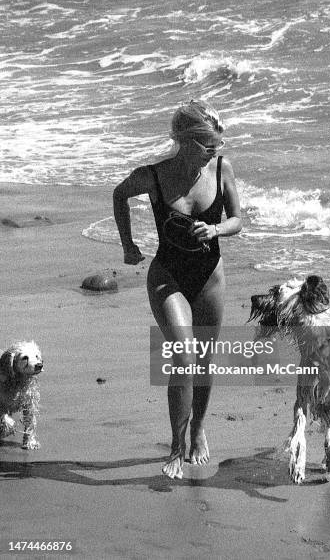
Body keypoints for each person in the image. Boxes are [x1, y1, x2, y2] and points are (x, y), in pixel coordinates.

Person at [113, 100, 242, 479]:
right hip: (167, 276)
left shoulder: (221, 169)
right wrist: (128, 244)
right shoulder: (152, 176)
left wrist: (217, 229)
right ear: (186, 141)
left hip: (211, 278)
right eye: (207, 145)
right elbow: (120, 194)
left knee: (203, 361)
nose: (214, 152)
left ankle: (198, 429)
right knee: (184, 359)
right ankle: (175, 446)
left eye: (217, 146)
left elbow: (237, 219)